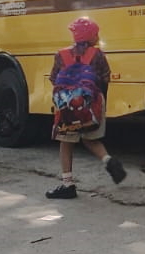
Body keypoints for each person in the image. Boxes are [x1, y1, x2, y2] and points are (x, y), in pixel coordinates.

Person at [45, 18, 126, 199]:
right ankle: (108, 160)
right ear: (91, 37)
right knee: (91, 139)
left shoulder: (61, 55)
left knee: (66, 143)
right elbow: (105, 79)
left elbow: (54, 79)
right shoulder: (98, 55)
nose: (98, 36)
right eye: (96, 34)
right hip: (91, 103)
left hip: (67, 106)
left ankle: (68, 184)